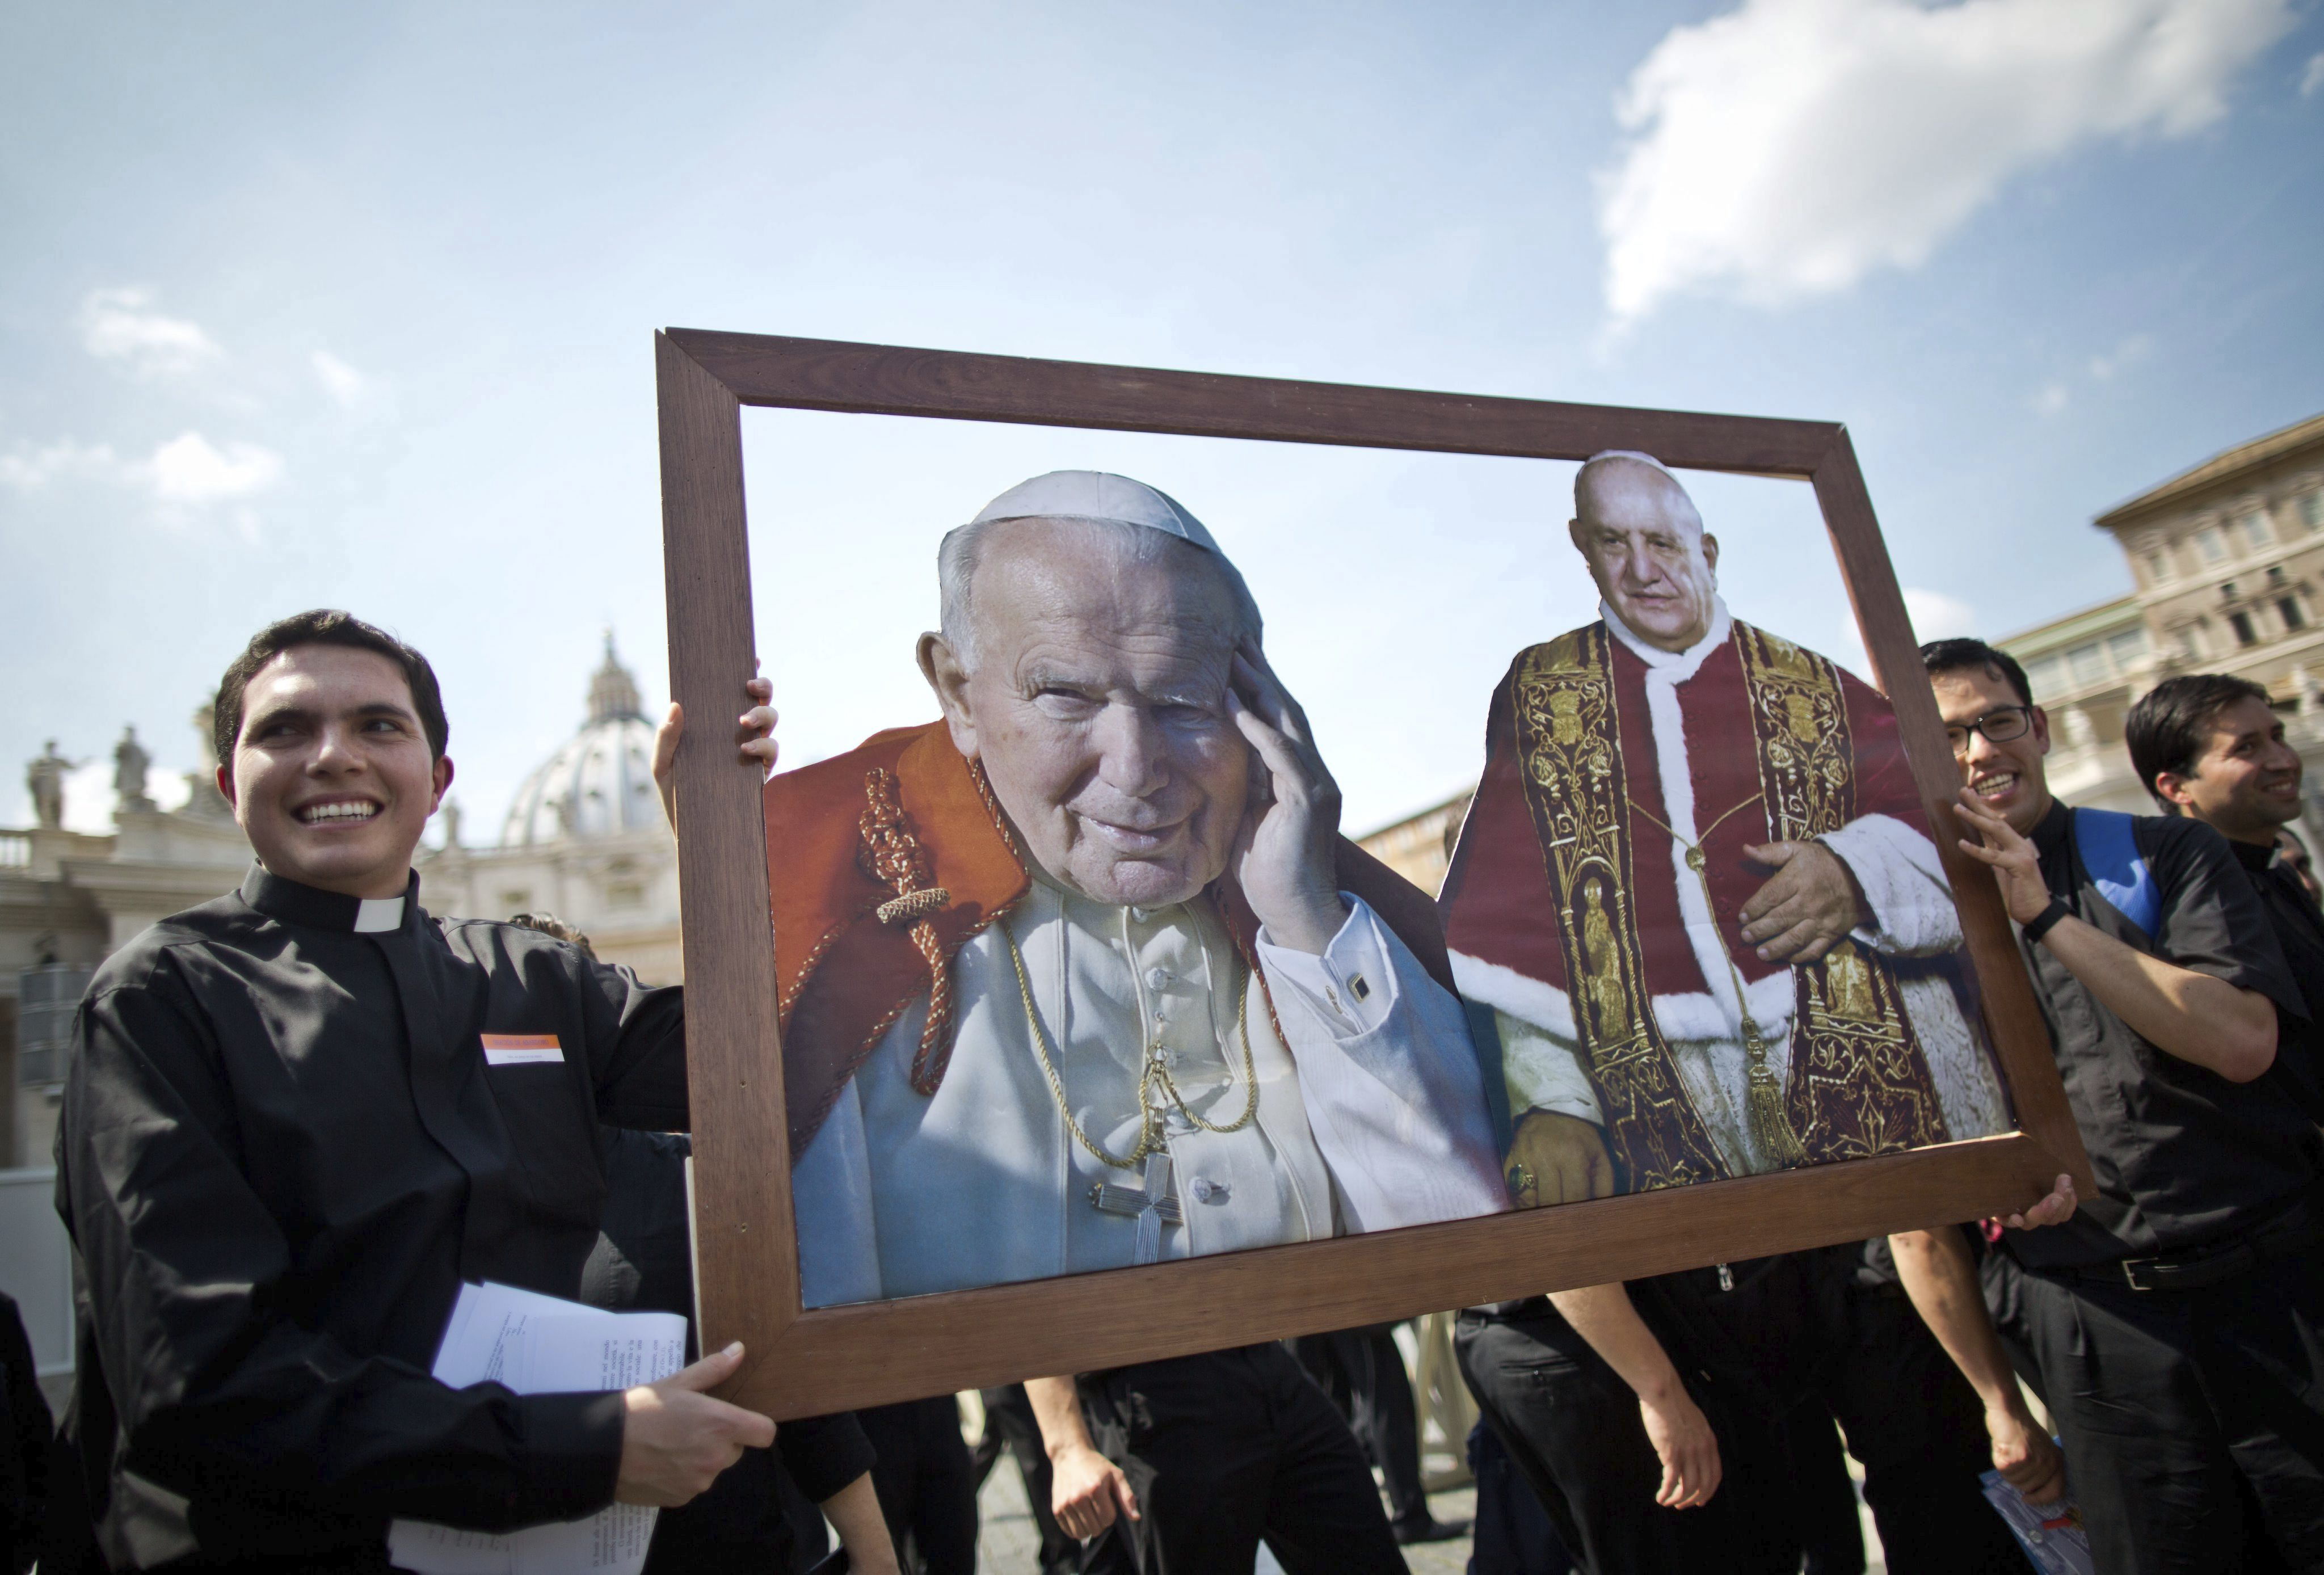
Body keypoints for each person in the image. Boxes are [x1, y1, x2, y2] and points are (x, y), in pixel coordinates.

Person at [52, 610, 784, 1571]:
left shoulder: (534, 978)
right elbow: (193, 1376)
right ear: (230, 784)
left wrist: (722, 837)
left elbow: (770, 1065)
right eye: (285, 730)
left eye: (377, 727)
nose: (332, 757)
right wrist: (585, 1448)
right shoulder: (159, 999)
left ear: (438, 780)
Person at [775, 470, 1506, 1307]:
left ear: (1259, 702)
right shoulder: (838, 921)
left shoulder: (1304, 904)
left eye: (1183, 700)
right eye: (1064, 696)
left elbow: (1474, 1260)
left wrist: (1306, 920)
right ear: (957, 693)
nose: (1135, 769)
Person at [1441, 450, 2008, 1208]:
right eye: (1615, 543)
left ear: (1706, 553)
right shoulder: (1542, 694)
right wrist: (1552, 1102)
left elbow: (1944, 833)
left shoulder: (1814, 682)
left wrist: (1854, 873)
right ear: (1584, 548)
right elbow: (1517, 924)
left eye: (1665, 544)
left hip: (1878, 1073)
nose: (1642, 570)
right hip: (1669, 1100)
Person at [1911, 636, 2324, 1573]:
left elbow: (2239, 1040)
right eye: (1947, 740)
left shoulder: (2159, 852)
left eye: (1996, 722)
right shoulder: (1915, 930)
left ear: (2040, 727)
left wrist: (2046, 917)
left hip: (2275, 1297)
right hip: (2102, 1334)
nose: (1980, 754)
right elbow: (1920, 1172)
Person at [2126, 672, 2324, 1122]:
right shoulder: (2177, 908)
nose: (2283, 760)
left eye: (2278, 736)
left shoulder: (2277, 871)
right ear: (2175, 787)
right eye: (2247, 748)